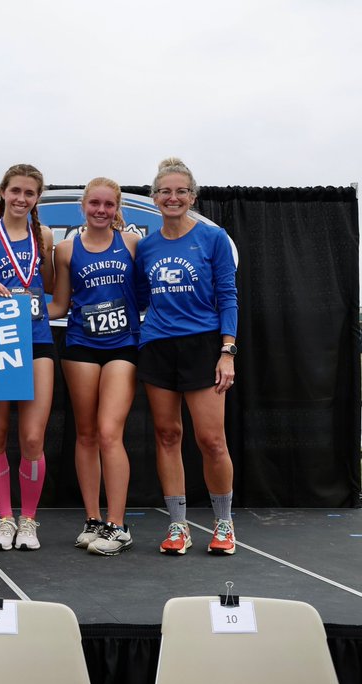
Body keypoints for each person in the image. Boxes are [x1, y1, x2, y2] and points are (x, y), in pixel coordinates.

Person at [135, 157, 238, 555]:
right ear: (154, 198)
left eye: (180, 191)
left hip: (203, 346)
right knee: (167, 436)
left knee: (211, 440)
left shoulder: (212, 239)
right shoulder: (146, 246)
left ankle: (224, 523)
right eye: (165, 191)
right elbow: (142, 298)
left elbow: (228, 296)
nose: (172, 197)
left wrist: (226, 351)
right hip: (158, 347)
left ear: (192, 197)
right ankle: (178, 527)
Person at [0, 163, 56, 552]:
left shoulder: (45, 235)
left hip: (36, 340)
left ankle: (29, 520)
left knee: (33, 437)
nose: (21, 199)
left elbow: (50, 288)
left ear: (37, 198)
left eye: (29, 193)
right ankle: (4, 518)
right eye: (15, 191)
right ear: (2, 192)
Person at [48, 178, 139, 555]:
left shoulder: (132, 244)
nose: (101, 210)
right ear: (82, 207)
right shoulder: (66, 250)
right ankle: (93, 519)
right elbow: (58, 305)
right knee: (85, 434)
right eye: (94, 204)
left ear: (118, 209)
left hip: (123, 346)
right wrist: (13, 310)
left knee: (108, 432)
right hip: (81, 344)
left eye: (108, 205)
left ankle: (118, 525)